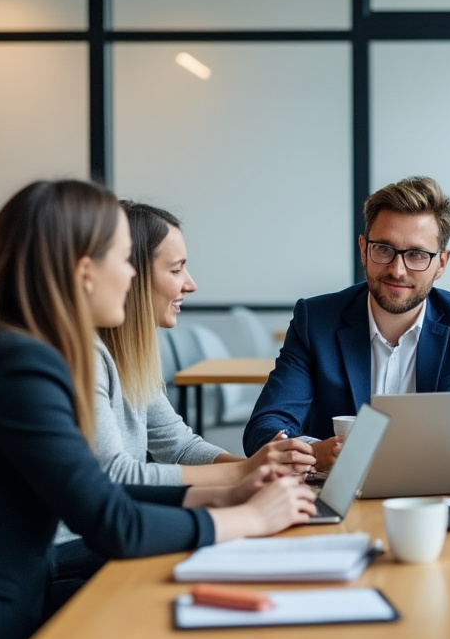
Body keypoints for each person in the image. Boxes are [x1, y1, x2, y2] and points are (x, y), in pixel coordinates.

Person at [0, 180, 317, 639]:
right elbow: (111, 521)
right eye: (124, 260)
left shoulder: (16, 348)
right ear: (84, 272)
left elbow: (98, 491)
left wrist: (226, 494)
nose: (131, 276)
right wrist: (248, 517)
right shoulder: (20, 364)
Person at [243, 176, 450, 469]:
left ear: (441, 263)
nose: (397, 270)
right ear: (364, 250)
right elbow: (263, 428)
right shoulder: (316, 320)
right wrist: (313, 452)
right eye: (383, 249)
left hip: (438, 493)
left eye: (417, 255)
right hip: (340, 495)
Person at [91, 201, 314, 485]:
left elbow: (180, 447)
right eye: (175, 270)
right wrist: (247, 472)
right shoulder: (88, 359)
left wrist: (266, 471)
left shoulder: (132, 358)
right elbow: (116, 477)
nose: (190, 284)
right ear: (131, 274)